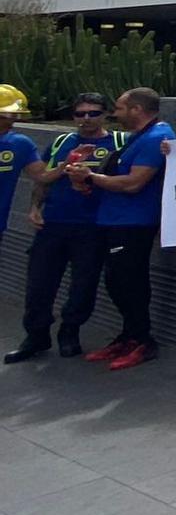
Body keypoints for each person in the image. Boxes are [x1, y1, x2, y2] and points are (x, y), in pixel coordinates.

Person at [7, 91, 114, 364]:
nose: (86, 119)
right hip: (54, 223)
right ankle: (36, 335)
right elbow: (43, 179)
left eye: (93, 113)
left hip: (93, 226)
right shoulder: (61, 142)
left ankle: (70, 331)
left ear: (105, 114)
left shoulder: (119, 142)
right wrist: (34, 208)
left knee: (83, 285)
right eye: (80, 114)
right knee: (39, 284)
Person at [73, 88, 175, 370]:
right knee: (116, 282)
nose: (114, 114)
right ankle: (128, 336)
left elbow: (133, 183)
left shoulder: (156, 137)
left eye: (119, 108)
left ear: (137, 110)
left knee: (130, 282)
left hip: (134, 223)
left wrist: (91, 176)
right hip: (115, 220)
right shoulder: (138, 137)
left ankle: (143, 341)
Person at [0, 83, 42, 243]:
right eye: (7, 116)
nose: (13, 122)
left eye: (15, 116)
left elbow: (42, 176)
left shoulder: (19, 143)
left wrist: (67, 163)